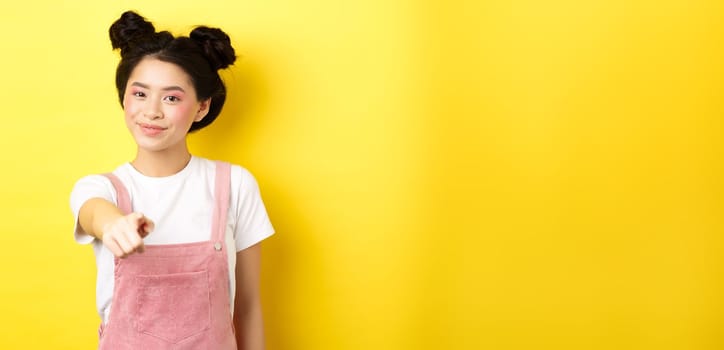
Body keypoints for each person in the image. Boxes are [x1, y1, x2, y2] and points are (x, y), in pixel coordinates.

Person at [69, 10, 274, 350]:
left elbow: (249, 308)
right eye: (139, 94)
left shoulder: (235, 185)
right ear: (123, 98)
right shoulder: (101, 189)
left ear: (201, 108)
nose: (152, 111)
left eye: (172, 98)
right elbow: (93, 212)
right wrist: (114, 226)